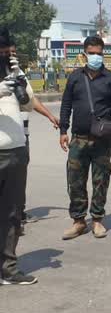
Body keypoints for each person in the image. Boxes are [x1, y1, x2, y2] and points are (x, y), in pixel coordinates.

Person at [59, 36, 111, 240]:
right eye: (92, 53)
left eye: (99, 53)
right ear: (84, 54)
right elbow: (66, 106)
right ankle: (79, 221)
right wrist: (63, 130)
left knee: (101, 180)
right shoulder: (75, 77)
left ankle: (98, 219)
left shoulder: (110, 79)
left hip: (102, 141)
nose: (96, 57)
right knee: (75, 181)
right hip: (78, 139)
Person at [5, 43, 59, 232]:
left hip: (20, 138)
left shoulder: (18, 74)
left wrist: (50, 115)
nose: (10, 56)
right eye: (6, 52)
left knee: (18, 181)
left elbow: (31, 100)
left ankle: (18, 213)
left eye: (12, 52)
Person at [0, 31, 36, 284]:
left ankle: (8, 269)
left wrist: (20, 78)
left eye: (9, 51)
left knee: (13, 213)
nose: (6, 54)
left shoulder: (13, 72)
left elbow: (29, 104)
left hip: (16, 152)